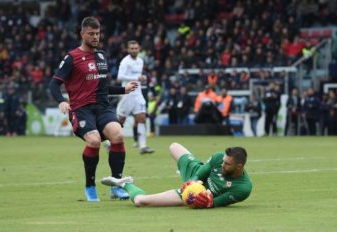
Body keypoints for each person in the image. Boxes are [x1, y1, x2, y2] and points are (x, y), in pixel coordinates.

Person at [48, 17, 138, 202]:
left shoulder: (101, 56)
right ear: (82, 34)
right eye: (91, 34)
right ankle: (90, 186)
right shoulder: (72, 57)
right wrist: (61, 101)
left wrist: (123, 89)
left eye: (97, 33)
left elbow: (103, 88)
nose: (95, 37)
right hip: (81, 109)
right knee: (94, 141)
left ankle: (117, 186)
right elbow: (53, 84)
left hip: (103, 107)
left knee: (118, 136)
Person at [101, 142, 252, 208]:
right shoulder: (219, 158)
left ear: (239, 166)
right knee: (174, 146)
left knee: (141, 202)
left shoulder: (243, 188)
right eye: (223, 161)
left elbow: (213, 203)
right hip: (196, 178)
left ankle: (125, 183)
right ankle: (183, 171)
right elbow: (201, 173)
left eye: (227, 164)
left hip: (195, 194)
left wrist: (197, 196)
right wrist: (192, 181)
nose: (223, 165)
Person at [116, 40, 154, 155]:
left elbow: (138, 78)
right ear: (128, 50)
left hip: (137, 93)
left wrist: (141, 79)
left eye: (136, 48)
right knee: (120, 121)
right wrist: (137, 77)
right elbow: (119, 77)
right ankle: (108, 142)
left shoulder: (140, 61)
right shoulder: (125, 61)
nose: (134, 50)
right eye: (131, 48)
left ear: (139, 49)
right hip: (127, 94)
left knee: (142, 118)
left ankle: (143, 146)